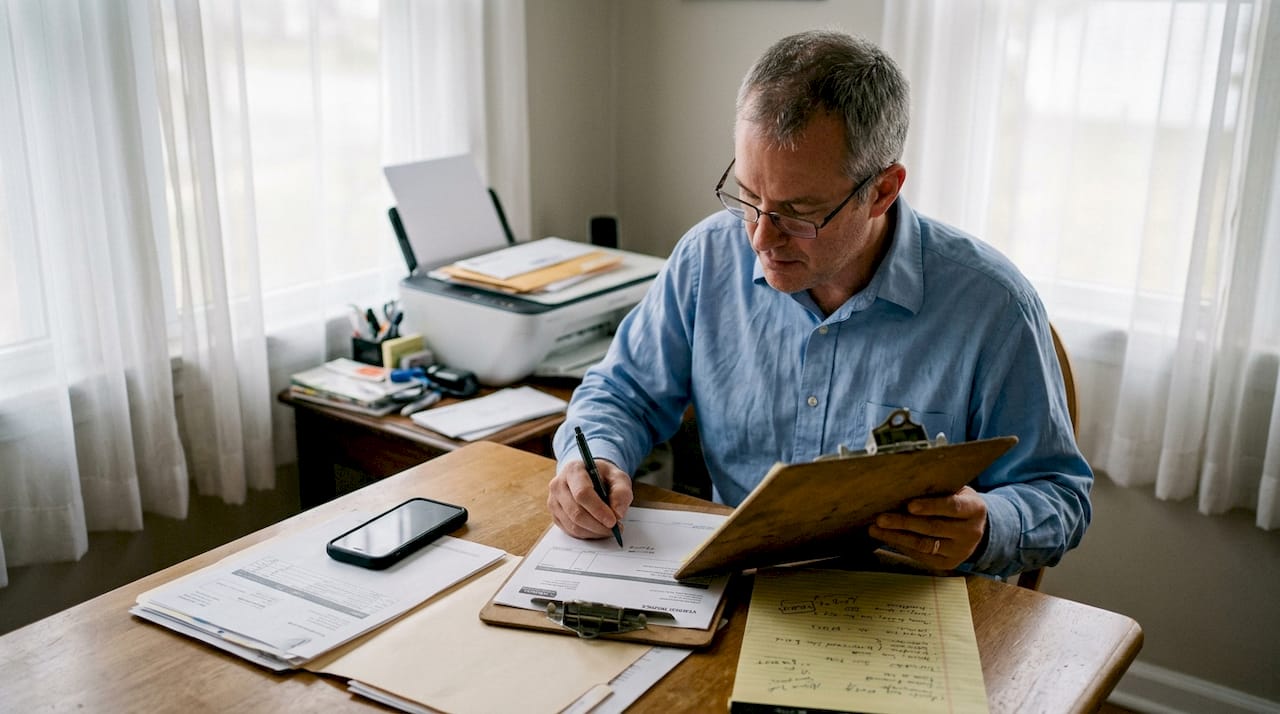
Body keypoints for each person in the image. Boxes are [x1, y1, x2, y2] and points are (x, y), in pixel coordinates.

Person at [547, 29, 1091, 579]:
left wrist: (988, 526)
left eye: (798, 212)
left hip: (905, 598)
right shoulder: (707, 258)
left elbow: (1059, 494)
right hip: (739, 585)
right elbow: (623, 394)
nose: (760, 237)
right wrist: (593, 459)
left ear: (882, 191)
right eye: (748, 196)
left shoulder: (992, 306)